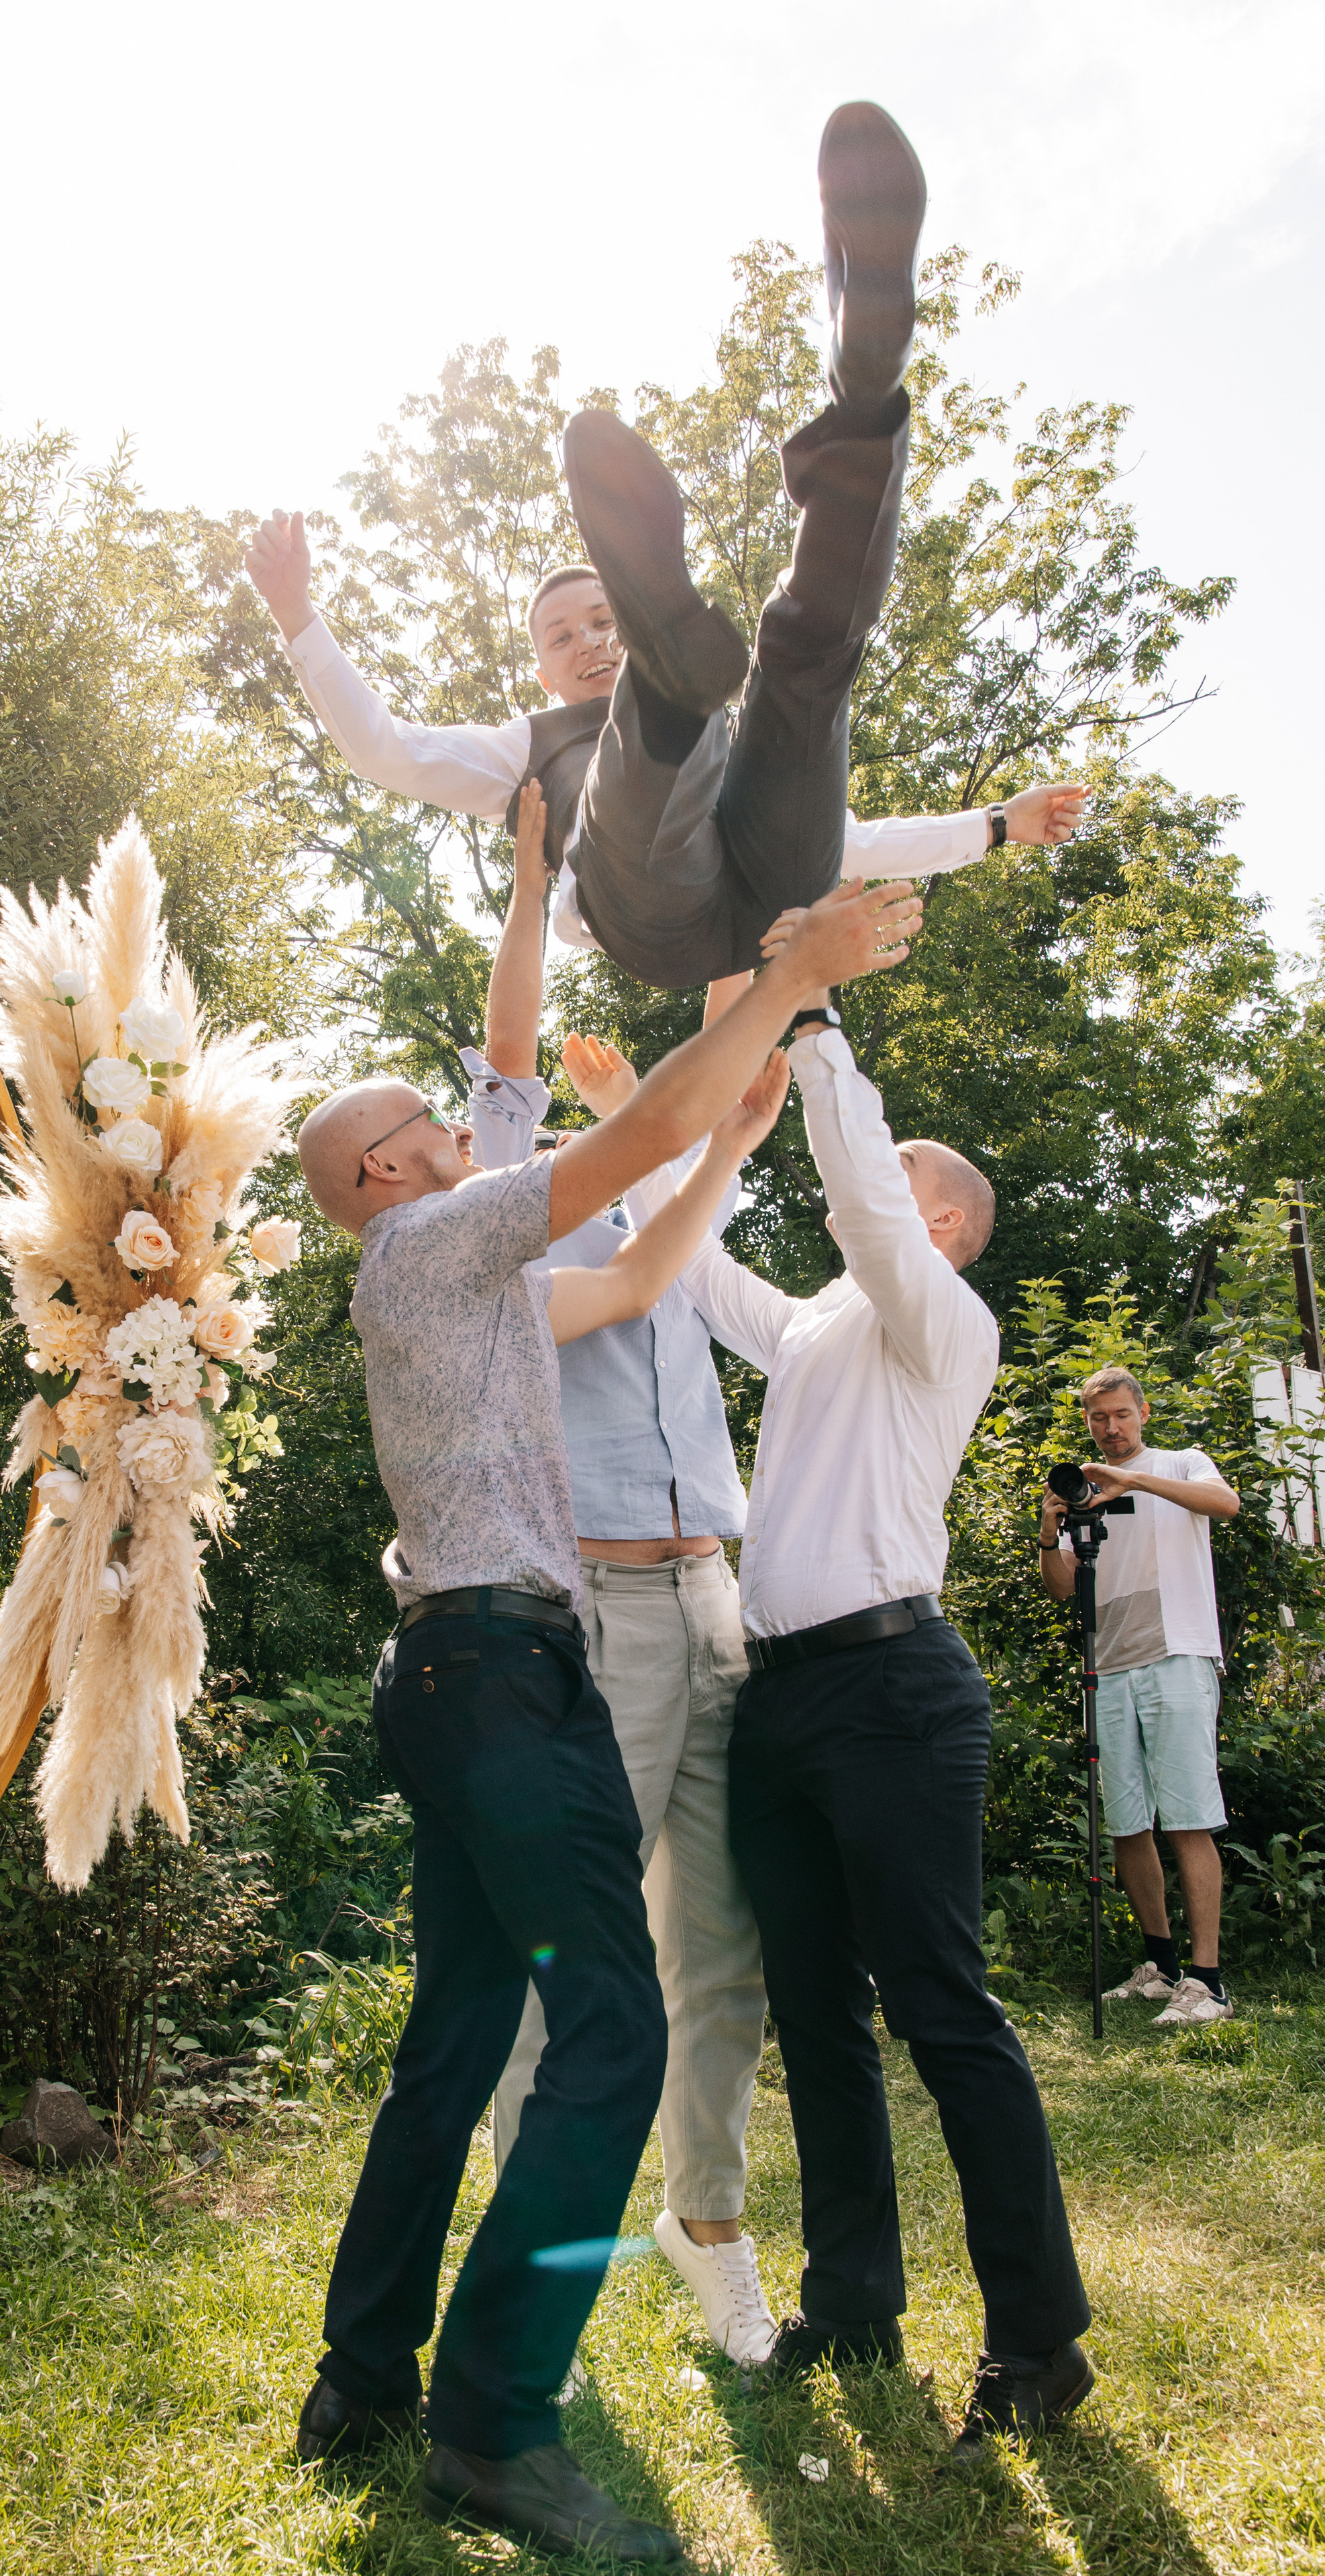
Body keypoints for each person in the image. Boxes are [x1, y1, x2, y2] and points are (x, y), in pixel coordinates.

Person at [289, 877, 920, 2561]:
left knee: (447, 2045)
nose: (461, 1129)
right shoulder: (429, 1244)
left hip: (468, 1673)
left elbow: (639, 1265)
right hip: (500, 1678)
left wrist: (733, 1131)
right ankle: (493, 2421)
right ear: (381, 1174)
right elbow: (624, 1127)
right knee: (614, 2034)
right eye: (430, 1125)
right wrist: (786, 976)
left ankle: (360, 2382)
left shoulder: (472, 1281)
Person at [245, 103, 1085, 992]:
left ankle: (867, 392)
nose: (587, 642)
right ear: (543, 673)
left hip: (779, 885)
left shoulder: (727, 746)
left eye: (603, 620)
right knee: (659, 765)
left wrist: (999, 825)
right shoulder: (519, 751)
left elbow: (857, 842)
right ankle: (671, 681)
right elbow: (384, 751)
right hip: (656, 914)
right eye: (562, 637)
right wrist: (296, 614)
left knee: (806, 665)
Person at [639, 902, 1094, 2458]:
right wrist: (645, 1128)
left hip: (896, 1694)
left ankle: (1036, 2342)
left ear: (941, 1225)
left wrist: (816, 1019)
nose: (864, 1196)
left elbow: (859, 1199)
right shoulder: (819, 1333)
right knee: (816, 2018)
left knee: (938, 2010)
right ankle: (849, 2301)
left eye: (898, 1185)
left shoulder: (937, 1323)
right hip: (778, 1702)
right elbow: (696, 1276)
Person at [468, 782, 780, 2372]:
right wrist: (534, 875)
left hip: (716, 1596)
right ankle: (535, 2265)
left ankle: (706, 2222)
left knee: (721, 1950)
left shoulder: (670, 1198)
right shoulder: (498, 1223)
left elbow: (718, 1083)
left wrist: (747, 909)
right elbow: (510, 1056)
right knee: (568, 1960)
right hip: (596, 1614)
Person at [1037, 1366, 1240, 2026]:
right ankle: (1162, 1966)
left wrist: (1132, 1480)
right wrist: (1049, 1529)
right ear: (1087, 1421)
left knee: (1187, 1818)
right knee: (1127, 1824)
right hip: (1109, 1666)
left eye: (1121, 1414)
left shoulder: (1180, 1463)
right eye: (1098, 1418)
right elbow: (1062, 1588)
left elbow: (1226, 1505)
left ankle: (1207, 1983)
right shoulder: (1082, 1492)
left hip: (1177, 1654)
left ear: (1143, 1412)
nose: (1111, 1428)